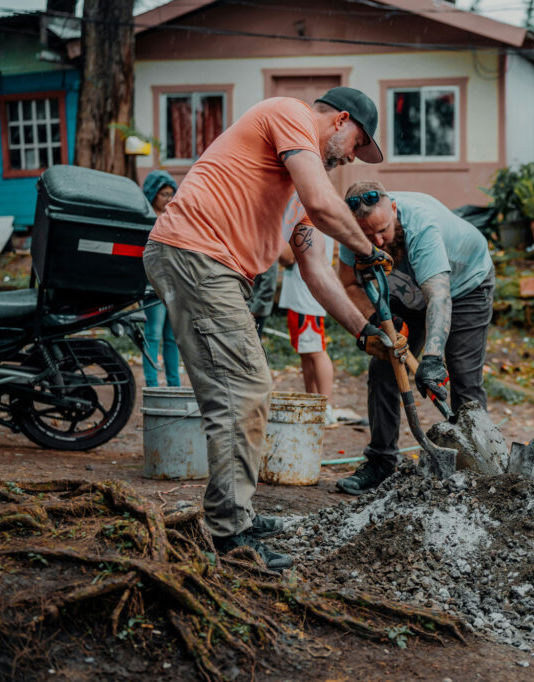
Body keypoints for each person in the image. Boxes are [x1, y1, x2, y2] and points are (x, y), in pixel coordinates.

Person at [143, 88, 399, 570]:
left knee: (243, 392)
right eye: (355, 144)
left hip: (215, 268)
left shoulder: (299, 193)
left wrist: (363, 330)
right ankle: (230, 533)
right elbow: (326, 207)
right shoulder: (289, 113)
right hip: (197, 255)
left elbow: (317, 271)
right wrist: (367, 249)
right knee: (244, 391)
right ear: (340, 121)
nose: (348, 159)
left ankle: (233, 514)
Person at [335, 181, 495, 495]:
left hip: (464, 288)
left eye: (383, 230)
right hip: (406, 293)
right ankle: (380, 462)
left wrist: (432, 360)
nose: (378, 241)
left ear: (393, 209)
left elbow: (439, 298)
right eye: (368, 236)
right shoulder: (351, 232)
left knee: (462, 376)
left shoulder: (422, 226)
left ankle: (481, 467)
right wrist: (376, 322)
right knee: (383, 367)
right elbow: (349, 283)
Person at [276, 193, 341, 426]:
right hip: (302, 295)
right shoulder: (315, 212)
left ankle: (326, 406)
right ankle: (312, 402)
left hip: (306, 296)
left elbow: (285, 257)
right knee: (307, 351)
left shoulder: (304, 214)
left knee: (315, 350)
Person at [141, 170, 181, 388]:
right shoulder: (146, 219)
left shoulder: (175, 219)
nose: (168, 198)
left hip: (175, 286)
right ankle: (152, 384)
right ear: (153, 194)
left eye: (171, 194)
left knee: (173, 338)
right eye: (164, 194)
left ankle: (174, 386)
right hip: (153, 287)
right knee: (153, 334)